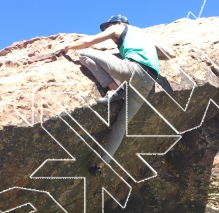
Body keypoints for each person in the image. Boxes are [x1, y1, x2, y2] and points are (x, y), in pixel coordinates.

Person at [62, 14, 160, 176]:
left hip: (133, 70)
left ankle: (114, 89)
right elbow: (167, 53)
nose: (108, 30)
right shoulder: (145, 36)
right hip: (148, 83)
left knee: (84, 53)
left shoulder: (118, 27)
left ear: (119, 23)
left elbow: (89, 42)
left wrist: (68, 47)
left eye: (109, 26)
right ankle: (100, 164)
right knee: (121, 124)